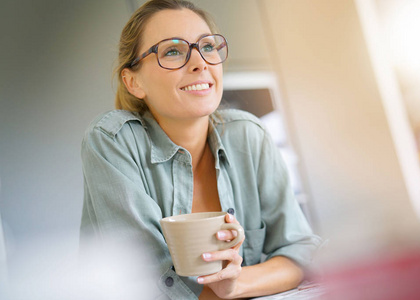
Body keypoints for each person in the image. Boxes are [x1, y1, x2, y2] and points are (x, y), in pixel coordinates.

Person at [79, 0, 322, 299]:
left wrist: (235, 284)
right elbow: (148, 283)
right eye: (172, 51)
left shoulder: (249, 135)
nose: (200, 63)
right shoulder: (113, 140)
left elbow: (300, 250)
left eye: (207, 47)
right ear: (133, 81)